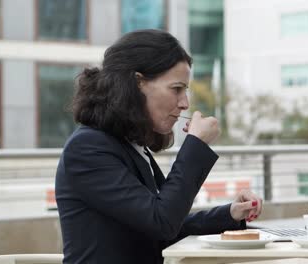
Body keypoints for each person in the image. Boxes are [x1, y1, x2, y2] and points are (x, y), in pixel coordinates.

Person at [55, 29, 263, 264]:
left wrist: (230, 214)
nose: (185, 103)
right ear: (137, 83)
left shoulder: (130, 146)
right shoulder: (88, 148)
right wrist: (195, 145)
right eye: (176, 89)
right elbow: (162, 222)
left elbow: (165, 223)